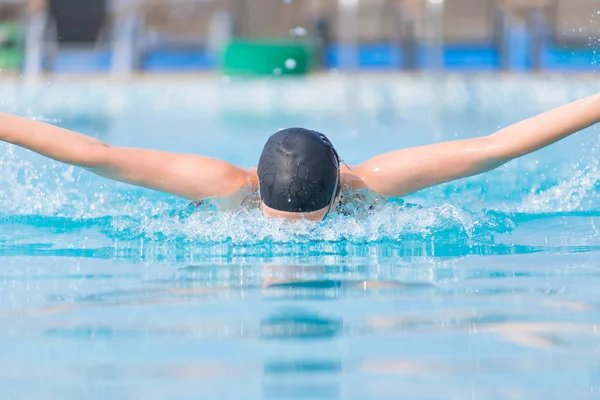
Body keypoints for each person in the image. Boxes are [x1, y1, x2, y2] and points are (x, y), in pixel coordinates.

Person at [0, 94, 598, 222]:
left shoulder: (379, 181)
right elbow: (92, 154)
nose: (290, 239)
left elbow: (498, 147)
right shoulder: (220, 184)